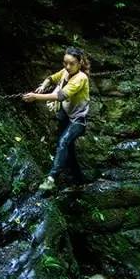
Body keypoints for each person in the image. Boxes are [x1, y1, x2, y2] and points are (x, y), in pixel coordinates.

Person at [23, 47, 90, 191]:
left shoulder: (81, 78)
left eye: (71, 63)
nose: (67, 66)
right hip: (65, 116)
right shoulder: (65, 72)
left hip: (78, 120)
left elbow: (61, 96)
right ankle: (80, 182)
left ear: (80, 63)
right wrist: (43, 86)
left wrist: (35, 97)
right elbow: (52, 78)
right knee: (68, 150)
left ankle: (51, 178)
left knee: (63, 142)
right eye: (65, 63)